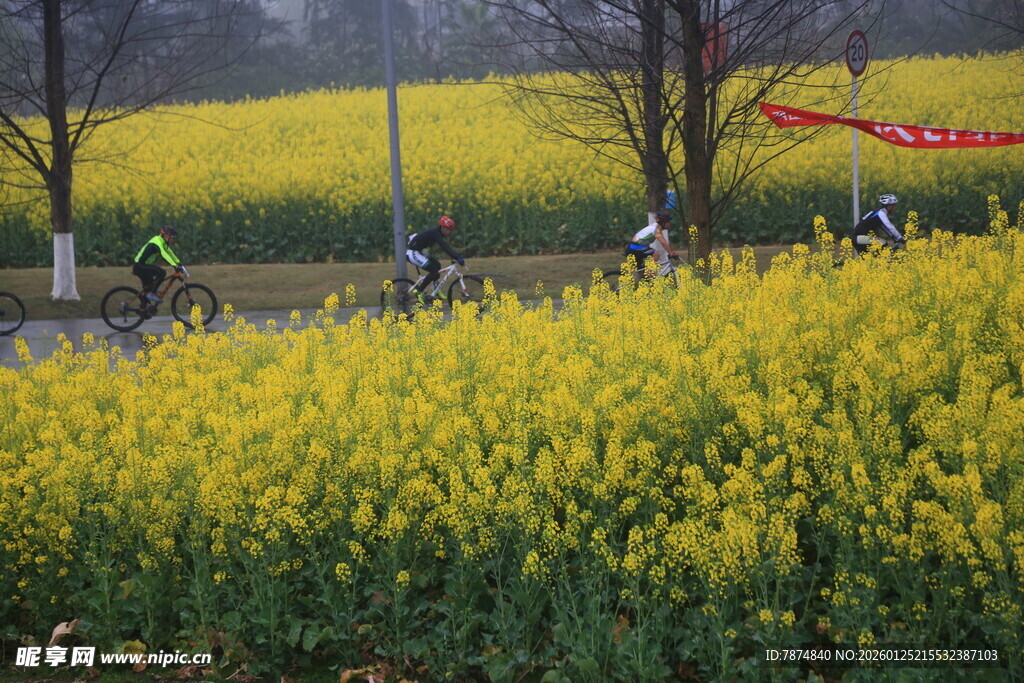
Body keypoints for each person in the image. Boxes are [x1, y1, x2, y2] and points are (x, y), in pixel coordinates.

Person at [406, 216, 464, 304]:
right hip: (413, 253)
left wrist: (455, 256)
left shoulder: (438, 232)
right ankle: (418, 292)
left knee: (437, 265)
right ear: (443, 228)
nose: (450, 232)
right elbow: (444, 247)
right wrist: (457, 257)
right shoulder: (435, 233)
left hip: (418, 252)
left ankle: (436, 287)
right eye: (449, 230)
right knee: (433, 271)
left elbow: (445, 246)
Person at [133, 225, 182, 307]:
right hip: (139, 266)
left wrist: (178, 263)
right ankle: (151, 294)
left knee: (149, 287)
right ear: (165, 235)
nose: (173, 239)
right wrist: (174, 265)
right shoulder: (157, 242)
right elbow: (163, 254)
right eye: (171, 236)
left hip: (143, 265)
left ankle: (144, 308)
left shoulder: (163, 243)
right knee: (161, 272)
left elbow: (169, 253)